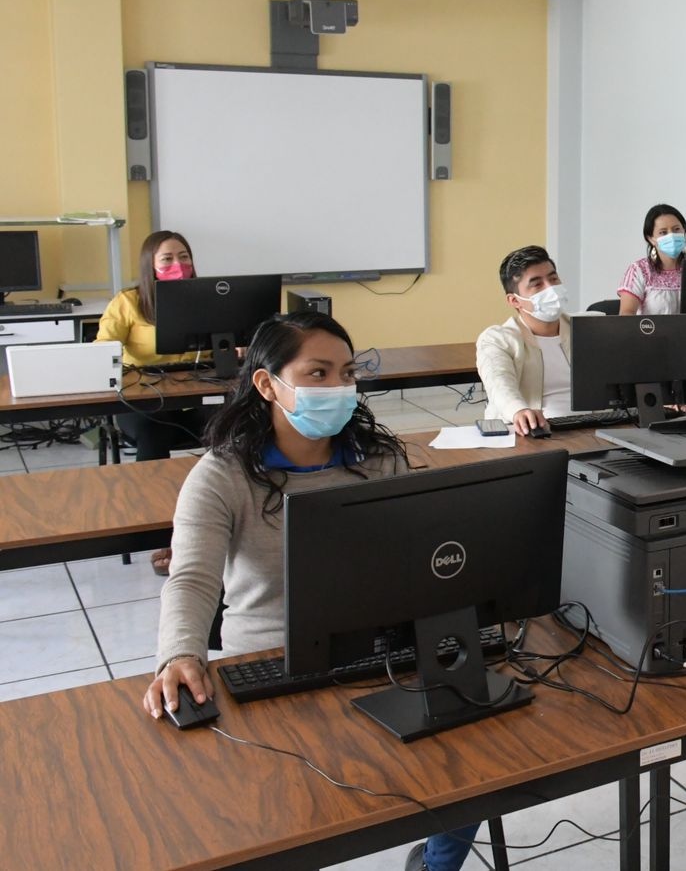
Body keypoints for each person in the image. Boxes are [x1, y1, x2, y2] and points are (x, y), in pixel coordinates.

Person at [139, 312, 480, 871]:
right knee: (286, 810)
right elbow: (193, 578)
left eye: (346, 373)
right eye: (317, 373)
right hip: (272, 663)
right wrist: (179, 654)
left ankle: (435, 865)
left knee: (477, 758)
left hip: (379, 649)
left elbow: (421, 558)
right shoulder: (222, 475)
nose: (338, 387)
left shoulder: (382, 459)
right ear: (268, 384)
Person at [97, 230, 209, 574]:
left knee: (236, 424)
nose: (178, 264)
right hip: (142, 403)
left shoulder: (208, 298)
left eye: (184, 256)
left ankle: (219, 522)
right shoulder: (129, 302)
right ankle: (160, 532)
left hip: (197, 394)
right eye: (168, 258)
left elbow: (233, 340)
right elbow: (101, 350)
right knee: (153, 431)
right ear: (151, 264)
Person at [476, 245, 573, 436]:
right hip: (533, 433)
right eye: (537, 284)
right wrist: (518, 410)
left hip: (590, 427)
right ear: (514, 301)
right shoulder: (498, 339)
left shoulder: (582, 328)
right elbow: (499, 382)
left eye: (553, 279)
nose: (551, 288)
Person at [617, 203, 686, 315]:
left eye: (676, 229)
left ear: (684, 231)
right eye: (663, 232)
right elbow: (627, 314)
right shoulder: (639, 270)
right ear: (651, 239)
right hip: (650, 332)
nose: (671, 236)